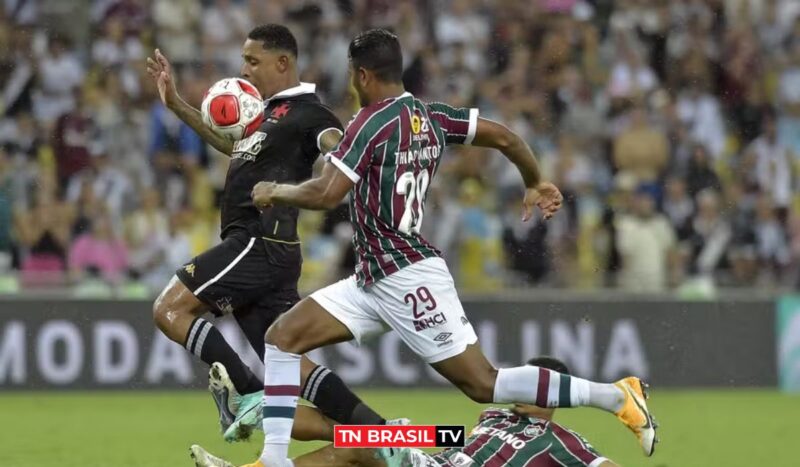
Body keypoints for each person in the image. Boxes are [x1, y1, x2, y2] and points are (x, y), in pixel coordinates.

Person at [243, 29, 657, 467]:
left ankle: (615, 395)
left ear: (362, 75)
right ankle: (273, 461)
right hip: (372, 278)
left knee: (482, 384)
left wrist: (276, 191)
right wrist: (534, 179)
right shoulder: (432, 117)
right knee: (283, 338)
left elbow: (327, 194)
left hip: (404, 274)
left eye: (351, 75)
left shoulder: (370, 122)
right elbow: (504, 137)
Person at [144, 24, 392, 441]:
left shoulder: (309, 114)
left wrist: (349, 154)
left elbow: (337, 143)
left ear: (283, 63)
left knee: (170, 309)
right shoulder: (264, 114)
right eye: (244, 60)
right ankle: (380, 436)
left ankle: (246, 394)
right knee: (289, 364)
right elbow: (234, 147)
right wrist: (177, 106)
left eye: (252, 61)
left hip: (259, 240)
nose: (245, 69)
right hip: (270, 251)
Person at [190, 357, 623, 467]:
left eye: (535, 385)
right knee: (354, 436)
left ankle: (247, 410)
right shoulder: (495, 415)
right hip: (440, 453)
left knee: (358, 446)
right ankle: (249, 412)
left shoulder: (565, 443)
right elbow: (460, 442)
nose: (519, 390)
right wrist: (404, 433)